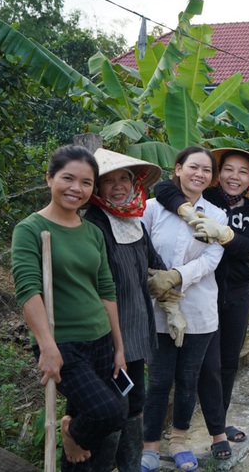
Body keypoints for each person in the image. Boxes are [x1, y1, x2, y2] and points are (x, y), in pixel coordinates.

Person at [153, 147, 249, 460]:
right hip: (198, 292)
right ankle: (216, 429)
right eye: (229, 170)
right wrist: (186, 211)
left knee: (227, 363)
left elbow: (248, 247)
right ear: (217, 175)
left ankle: (218, 422)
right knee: (202, 366)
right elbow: (163, 188)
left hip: (234, 293)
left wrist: (223, 233)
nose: (235, 177)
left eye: (243, 172)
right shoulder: (207, 199)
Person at [11, 145, 127, 471]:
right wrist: (46, 346)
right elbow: (28, 291)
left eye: (87, 183)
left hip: (101, 339)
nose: (77, 189)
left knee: (93, 434)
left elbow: (106, 290)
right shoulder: (30, 229)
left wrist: (119, 346)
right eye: (68, 178)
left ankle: (74, 439)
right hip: (63, 344)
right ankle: (71, 432)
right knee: (109, 412)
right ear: (49, 178)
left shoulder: (92, 232)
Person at [81, 149, 172, 472]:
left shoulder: (132, 221)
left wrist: (171, 279)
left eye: (124, 179)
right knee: (110, 409)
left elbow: (154, 265)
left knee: (133, 403)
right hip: (105, 336)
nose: (118, 186)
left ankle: (130, 467)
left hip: (135, 333)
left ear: (135, 184)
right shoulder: (92, 225)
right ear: (97, 188)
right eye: (109, 181)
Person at [140, 146, 227, 472]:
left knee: (189, 379)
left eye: (206, 170)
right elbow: (141, 247)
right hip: (158, 308)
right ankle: (149, 446)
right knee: (160, 380)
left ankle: (179, 442)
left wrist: (177, 277)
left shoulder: (216, 216)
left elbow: (211, 259)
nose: (199, 174)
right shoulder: (151, 208)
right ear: (177, 169)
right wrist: (158, 282)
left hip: (199, 308)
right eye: (193, 167)